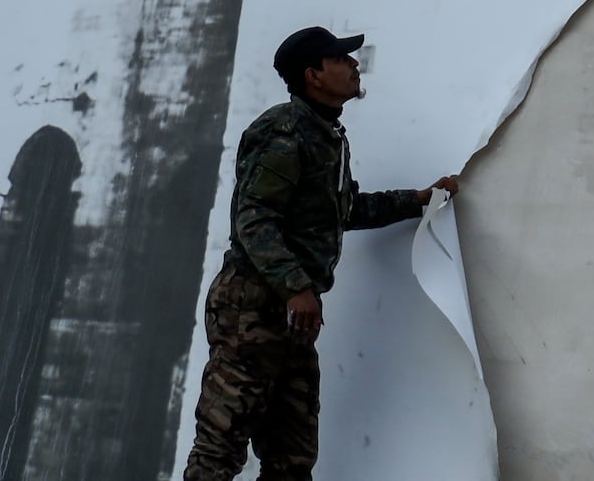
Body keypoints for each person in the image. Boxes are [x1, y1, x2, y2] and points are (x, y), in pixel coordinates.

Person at [183, 26, 461, 481]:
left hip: (291, 317)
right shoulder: (284, 132)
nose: (354, 66)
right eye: (341, 60)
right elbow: (253, 219)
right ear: (313, 75)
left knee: (292, 460)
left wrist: (417, 200)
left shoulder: (325, 135)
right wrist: (295, 287)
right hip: (251, 311)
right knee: (218, 451)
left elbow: (344, 209)